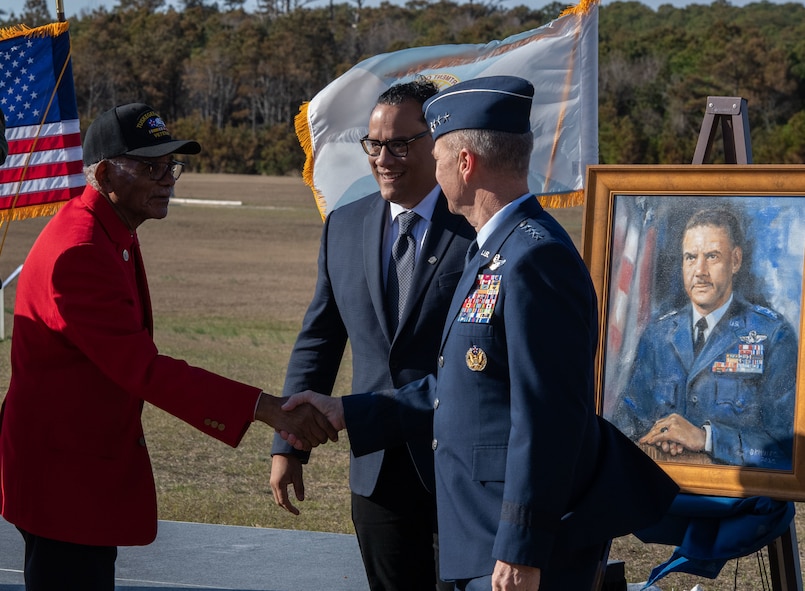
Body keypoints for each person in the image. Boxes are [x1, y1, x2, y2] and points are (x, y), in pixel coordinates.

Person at [282, 76, 678, 591]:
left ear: (465, 163)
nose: (435, 170)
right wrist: (350, 412)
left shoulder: (534, 257)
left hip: (511, 547)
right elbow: (466, 386)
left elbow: (550, 419)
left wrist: (521, 548)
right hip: (478, 534)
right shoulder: (491, 250)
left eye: (440, 155)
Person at [0, 102, 337, 591]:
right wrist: (264, 408)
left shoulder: (105, 230)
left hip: (73, 471)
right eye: (152, 166)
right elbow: (143, 369)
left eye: (171, 166)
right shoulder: (81, 249)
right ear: (106, 172)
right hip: (63, 478)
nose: (168, 179)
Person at [270, 80, 474, 591]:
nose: (384, 158)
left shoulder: (477, 227)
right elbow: (319, 339)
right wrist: (289, 445)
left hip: (461, 471)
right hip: (377, 475)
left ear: (438, 143)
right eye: (375, 144)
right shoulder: (344, 225)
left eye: (401, 144)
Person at [611, 206, 798, 470]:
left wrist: (706, 439)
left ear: (735, 260)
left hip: (737, 501)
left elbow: (786, 449)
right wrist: (657, 438)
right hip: (664, 493)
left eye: (712, 256)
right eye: (690, 257)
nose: (699, 270)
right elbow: (626, 421)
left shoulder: (773, 336)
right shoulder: (658, 336)